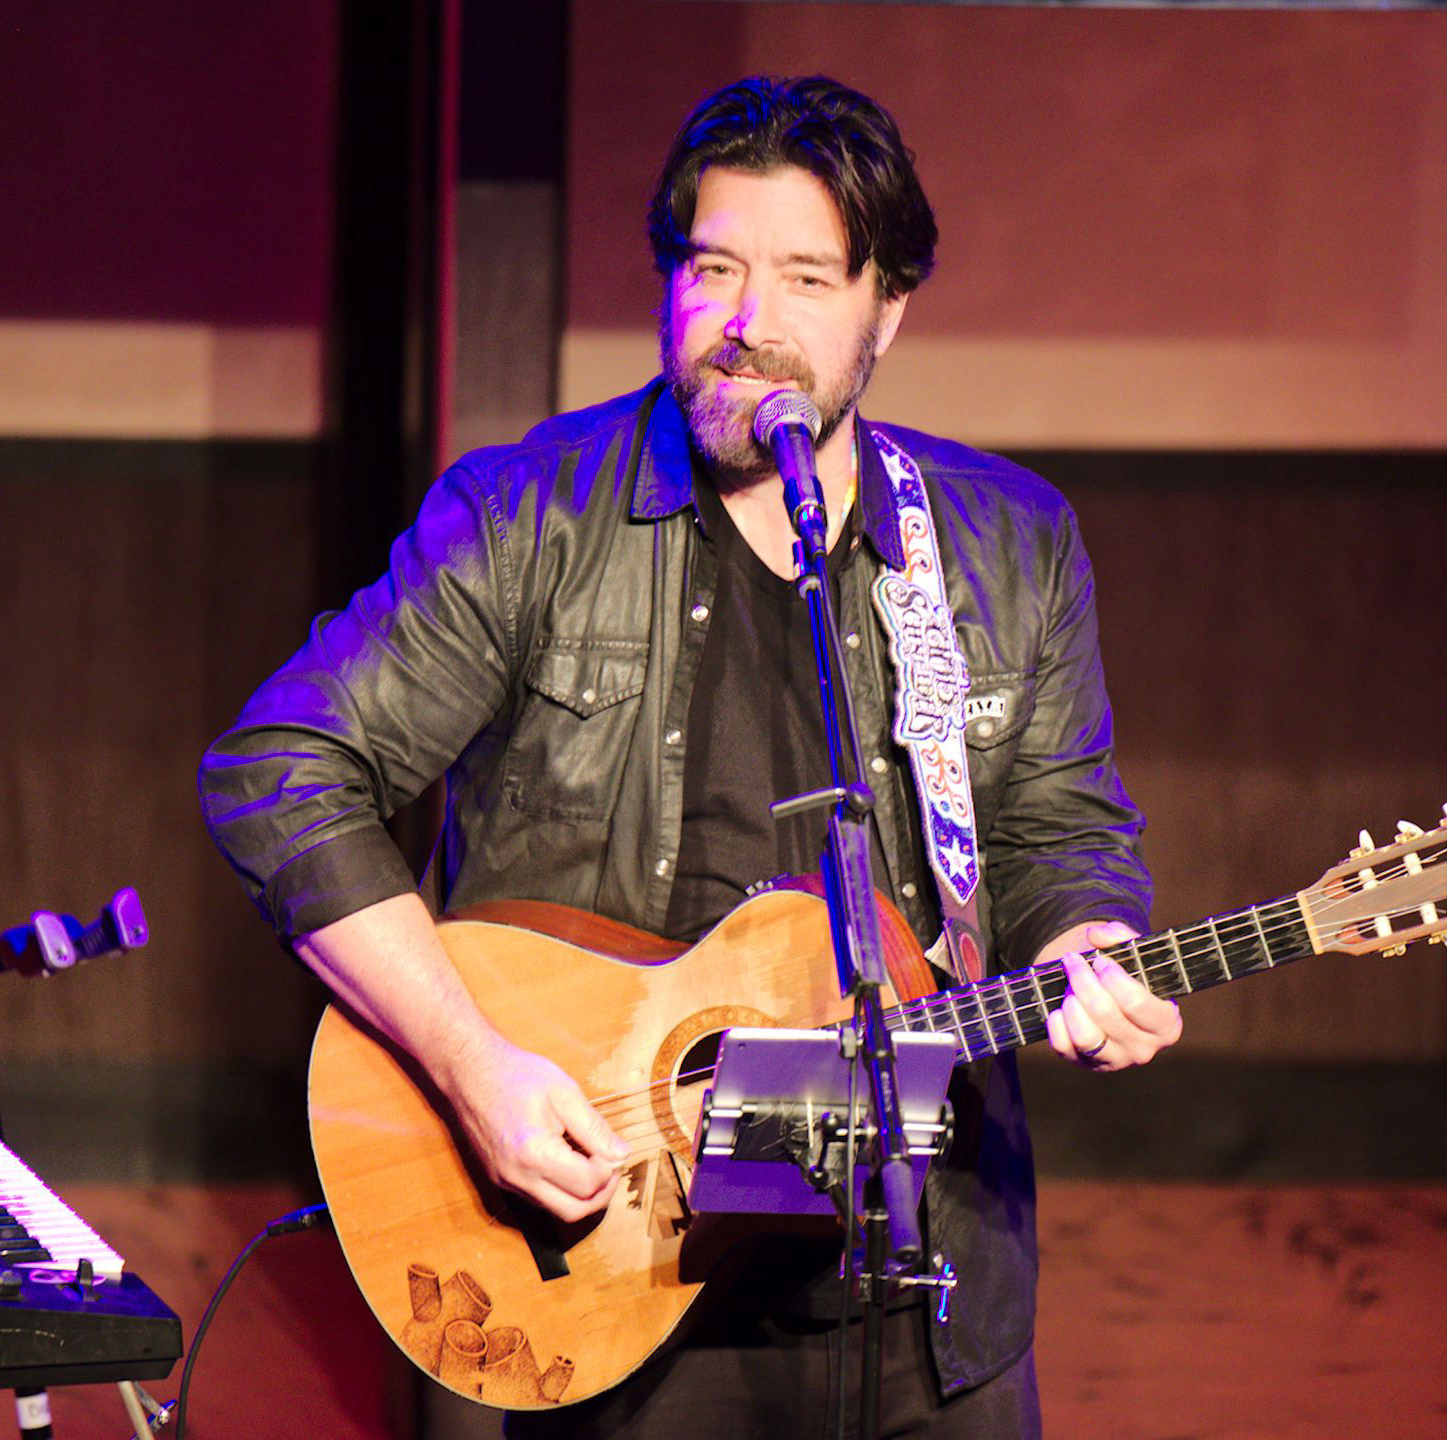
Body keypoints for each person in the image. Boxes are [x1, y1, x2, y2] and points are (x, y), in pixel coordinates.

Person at [199, 74, 1182, 1438]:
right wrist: (475, 1065)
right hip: (591, 1250)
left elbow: (1059, 830)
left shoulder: (1004, 545)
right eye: (712, 269)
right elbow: (278, 769)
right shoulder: (531, 512)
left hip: (914, 1280)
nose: (747, 328)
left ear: (887, 308)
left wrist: (1088, 937)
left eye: (804, 279)